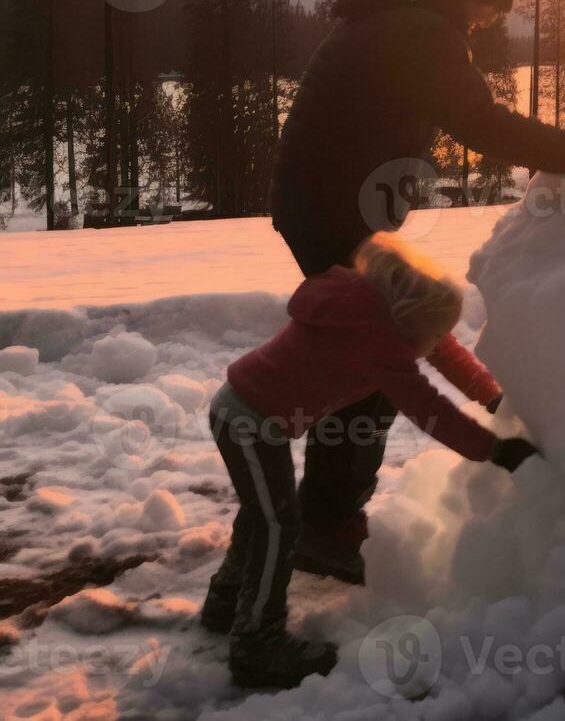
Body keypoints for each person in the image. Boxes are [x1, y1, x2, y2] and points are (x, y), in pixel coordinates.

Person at [269, 0, 565, 583]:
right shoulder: (419, 32)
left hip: (328, 209)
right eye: (487, 7)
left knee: (375, 340)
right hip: (331, 215)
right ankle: (323, 526)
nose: (487, 21)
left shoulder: (398, 19)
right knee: (372, 359)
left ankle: (318, 514)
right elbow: (483, 125)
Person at [199, 234, 539, 689]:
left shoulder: (380, 312)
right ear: (408, 326)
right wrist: (495, 450)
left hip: (252, 418)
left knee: (264, 515)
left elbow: (444, 351)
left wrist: (492, 394)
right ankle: (256, 643)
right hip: (249, 423)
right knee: (277, 525)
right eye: (434, 335)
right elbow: (429, 409)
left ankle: (227, 603)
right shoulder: (377, 342)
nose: (438, 343)